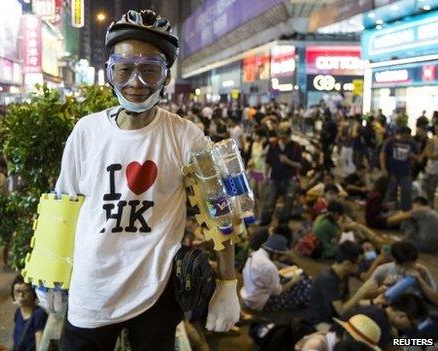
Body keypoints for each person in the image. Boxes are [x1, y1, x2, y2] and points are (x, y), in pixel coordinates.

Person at [49, 9, 240, 350]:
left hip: (156, 292)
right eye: (123, 70)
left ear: (165, 77)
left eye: (149, 71)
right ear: (109, 73)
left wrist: (228, 283)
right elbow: (63, 205)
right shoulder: (87, 131)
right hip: (92, 290)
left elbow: (221, 210)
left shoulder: (186, 137)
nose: (136, 83)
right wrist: (50, 272)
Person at [349, 241, 437, 310]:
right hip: (392, 311)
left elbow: (436, 300)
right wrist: (383, 288)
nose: (407, 269)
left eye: (411, 264)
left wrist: (420, 280)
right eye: (403, 266)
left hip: (415, 310)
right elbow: (365, 297)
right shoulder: (383, 270)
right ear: (394, 260)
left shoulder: (421, 270)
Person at [0, 276, 48, 351]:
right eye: (18, 291)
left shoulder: (39, 315)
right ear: (13, 294)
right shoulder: (19, 312)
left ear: (34, 294)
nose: (21, 295)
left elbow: (41, 347)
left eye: (26, 291)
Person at [241, 234, 312, 312]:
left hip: (248, 295)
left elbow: (263, 268)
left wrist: (278, 265)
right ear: (275, 254)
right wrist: (294, 280)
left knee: (286, 279)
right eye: (279, 256)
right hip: (259, 302)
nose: (279, 258)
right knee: (304, 286)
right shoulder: (269, 267)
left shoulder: (255, 254)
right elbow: (278, 292)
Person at [305, 241, 363, 326]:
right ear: (347, 263)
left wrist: (373, 302)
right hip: (318, 321)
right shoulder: (328, 279)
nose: (360, 266)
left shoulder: (343, 274)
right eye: (358, 263)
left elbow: (348, 302)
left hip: (332, 317)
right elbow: (341, 311)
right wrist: (363, 291)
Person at [260, 122, 302, 225]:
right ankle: (265, 222)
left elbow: (299, 165)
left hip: (290, 179)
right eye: (280, 137)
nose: (282, 140)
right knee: (269, 201)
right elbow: (268, 162)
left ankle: (283, 224)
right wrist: (265, 176)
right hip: (274, 178)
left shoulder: (296, 146)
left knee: (288, 203)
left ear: (289, 135)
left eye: (284, 137)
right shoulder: (273, 144)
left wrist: (288, 162)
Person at [380, 126, 421, 211]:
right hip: (391, 172)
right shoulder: (390, 141)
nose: (407, 139)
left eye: (408, 137)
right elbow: (382, 154)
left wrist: (412, 155)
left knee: (406, 194)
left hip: (405, 172)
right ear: (400, 134)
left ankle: (405, 212)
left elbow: (418, 158)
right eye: (405, 136)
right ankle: (389, 212)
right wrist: (383, 169)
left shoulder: (411, 143)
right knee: (390, 192)